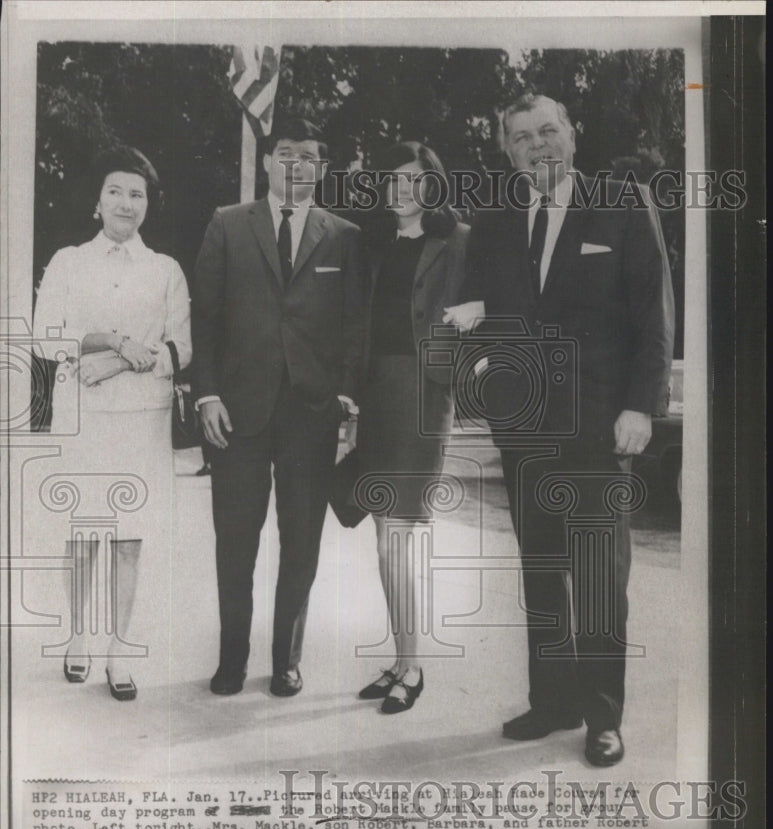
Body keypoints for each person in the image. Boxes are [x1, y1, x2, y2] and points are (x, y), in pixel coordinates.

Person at [445, 94, 674, 765]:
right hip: (525, 431)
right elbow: (478, 313)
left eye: (548, 131)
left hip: (601, 429)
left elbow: (651, 317)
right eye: (521, 137)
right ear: (506, 151)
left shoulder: (622, 201)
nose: (537, 146)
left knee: (600, 576)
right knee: (542, 569)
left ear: (571, 136)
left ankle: (602, 716)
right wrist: (481, 378)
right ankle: (551, 702)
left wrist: (640, 407)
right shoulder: (491, 222)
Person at [192, 117, 367, 698]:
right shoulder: (227, 224)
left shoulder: (344, 235)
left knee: (301, 544)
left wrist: (346, 394)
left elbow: (354, 326)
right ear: (268, 162)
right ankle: (231, 659)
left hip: (311, 415)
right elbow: (206, 319)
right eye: (286, 153)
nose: (296, 164)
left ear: (322, 169)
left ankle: (286, 660)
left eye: (310, 156)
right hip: (237, 414)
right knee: (235, 542)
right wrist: (208, 394)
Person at [33, 145, 191, 701]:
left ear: (149, 205)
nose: (126, 203)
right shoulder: (68, 261)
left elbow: (180, 348)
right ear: (97, 201)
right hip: (84, 419)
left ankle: (120, 649)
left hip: (140, 424)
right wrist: (112, 339)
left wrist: (120, 361)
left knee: (128, 539)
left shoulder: (165, 270)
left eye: (137, 194)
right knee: (84, 534)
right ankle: (79, 637)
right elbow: (46, 338)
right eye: (116, 191)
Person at [356, 142, 469, 713]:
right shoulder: (374, 245)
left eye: (413, 179)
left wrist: (479, 317)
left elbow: (508, 299)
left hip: (424, 396)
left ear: (433, 185)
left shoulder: (459, 241)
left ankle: (414, 666)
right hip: (375, 396)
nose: (401, 189)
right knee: (382, 537)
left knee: (399, 537)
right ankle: (400, 659)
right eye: (392, 180)